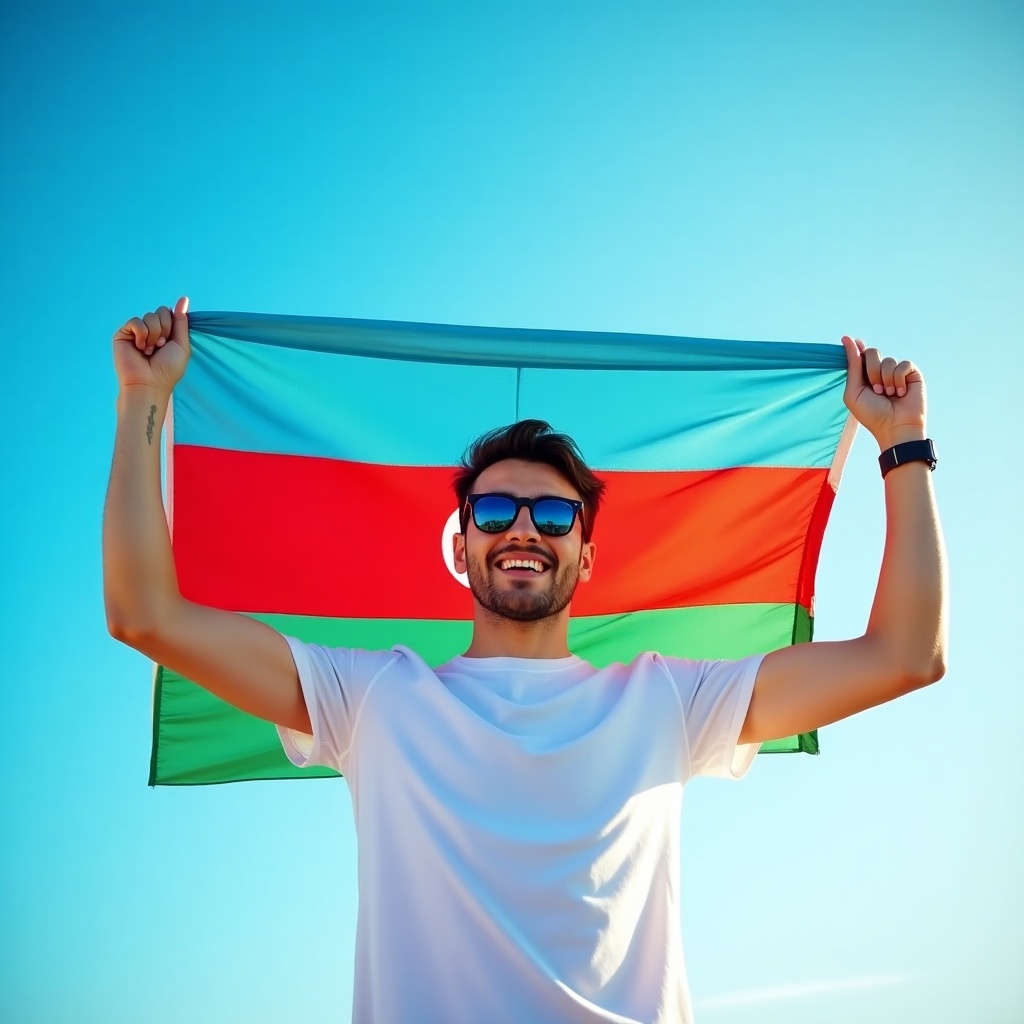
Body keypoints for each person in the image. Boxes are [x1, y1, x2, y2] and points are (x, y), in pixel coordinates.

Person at [104, 297, 947, 1024]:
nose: (523, 528)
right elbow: (146, 616)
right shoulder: (368, 695)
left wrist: (902, 443)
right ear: (461, 545)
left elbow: (906, 657)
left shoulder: (670, 700)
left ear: (585, 556)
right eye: (496, 507)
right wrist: (143, 397)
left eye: (554, 515)